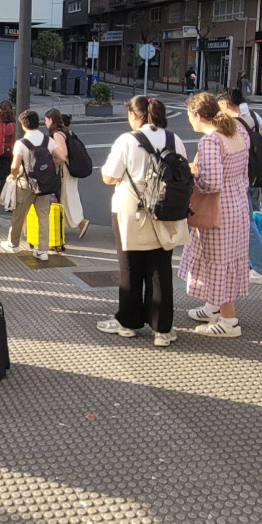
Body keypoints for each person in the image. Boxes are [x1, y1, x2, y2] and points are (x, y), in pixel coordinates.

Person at [97, 96, 187, 345]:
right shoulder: (175, 139)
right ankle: (162, 329)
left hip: (131, 209)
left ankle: (128, 322)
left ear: (135, 116)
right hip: (166, 210)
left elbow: (109, 176)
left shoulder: (127, 140)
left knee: (130, 268)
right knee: (160, 269)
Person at [180, 91, 250, 337]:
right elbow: (243, 174)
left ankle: (228, 321)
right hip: (238, 205)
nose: (189, 120)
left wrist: (192, 173)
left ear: (198, 116)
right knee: (229, 260)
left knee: (217, 262)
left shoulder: (210, 141)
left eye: (190, 115)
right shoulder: (237, 133)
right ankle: (213, 307)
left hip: (218, 211)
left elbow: (211, 183)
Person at [219, 89, 262, 285]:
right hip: (254, 176)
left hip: (240, 178)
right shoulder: (255, 117)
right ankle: (252, 264)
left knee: (244, 224)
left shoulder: (230, 124)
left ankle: (260, 267)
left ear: (225, 105)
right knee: (245, 222)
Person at [3, 110, 60, 261]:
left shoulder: (21, 143)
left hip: (25, 183)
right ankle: (43, 251)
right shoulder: (48, 140)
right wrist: (49, 167)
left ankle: (14, 244)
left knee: (19, 215)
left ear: (23, 125)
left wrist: (13, 176)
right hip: (44, 184)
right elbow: (61, 156)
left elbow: (15, 166)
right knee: (43, 216)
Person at [45, 107, 89, 239]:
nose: (46, 123)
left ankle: (81, 221)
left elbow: (63, 154)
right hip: (71, 168)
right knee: (68, 195)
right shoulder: (66, 131)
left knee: (67, 195)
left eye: (46, 120)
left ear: (51, 120)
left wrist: (53, 162)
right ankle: (65, 224)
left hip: (66, 170)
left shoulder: (58, 134)